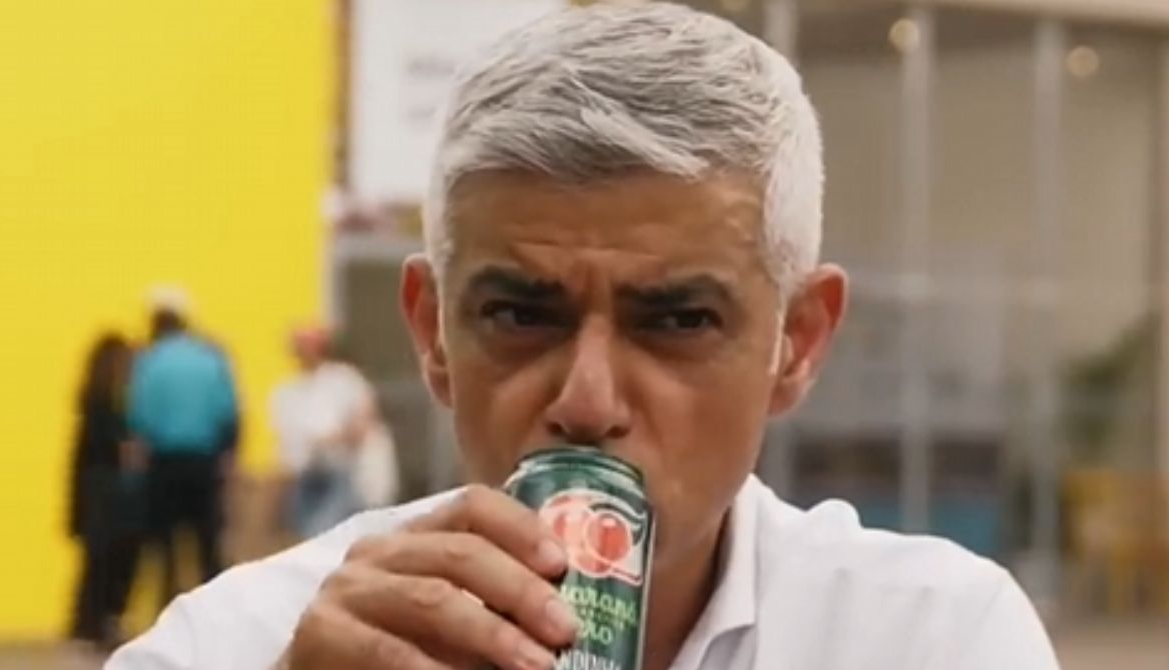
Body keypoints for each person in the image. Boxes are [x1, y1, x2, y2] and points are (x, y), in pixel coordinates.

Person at [109, 4, 1061, 669]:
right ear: (432, 332)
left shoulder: (928, 640)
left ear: (798, 343)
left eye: (679, 321)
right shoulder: (237, 643)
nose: (588, 402)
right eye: (521, 316)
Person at [127, 295, 240, 609]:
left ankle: (168, 609)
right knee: (208, 543)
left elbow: (140, 416)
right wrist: (228, 454)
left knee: (165, 546)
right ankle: (216, 610)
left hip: (164, 463)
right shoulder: (210, 357)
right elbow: (228, 412)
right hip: (205, 461)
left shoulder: (149, 361)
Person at [271, 326, 399, 539]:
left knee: (324, 530)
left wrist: (334, 440)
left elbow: (365, 418)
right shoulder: (288, 391)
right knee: (307, 534)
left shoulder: (344, 379)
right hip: (308, 474)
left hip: (344, 472)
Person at [68, 333, 143, 653]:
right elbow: (118, 450)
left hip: (98, 495)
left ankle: (93, 624)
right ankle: (97, 623)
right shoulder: (107, 407)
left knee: (101, 561)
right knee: (105, 561)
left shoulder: (94, 403)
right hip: (107, 496)